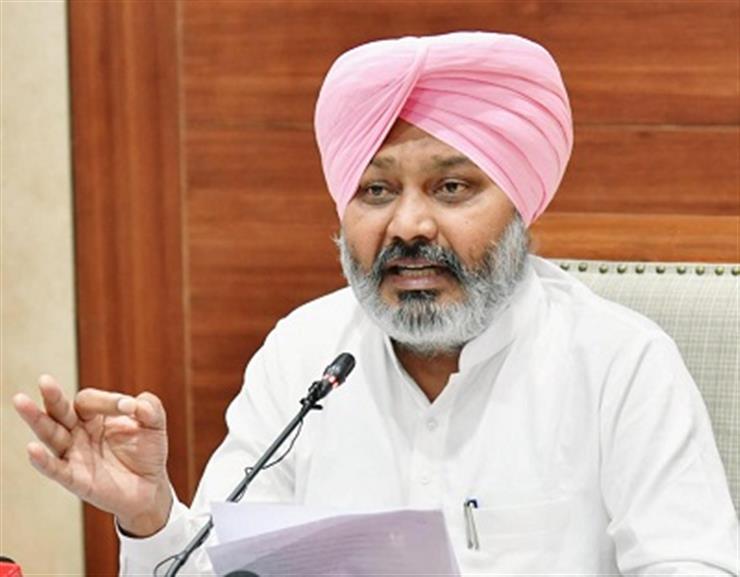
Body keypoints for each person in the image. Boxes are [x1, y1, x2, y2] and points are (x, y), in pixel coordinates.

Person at [13, 32, 738, 575]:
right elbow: (224, 568)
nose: (409, 225)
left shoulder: (620, 362)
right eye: (377, 190)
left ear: (522, 207)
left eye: (452, 188)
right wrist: (150, 517)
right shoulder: (303, 354)